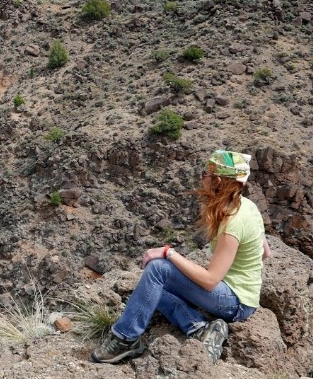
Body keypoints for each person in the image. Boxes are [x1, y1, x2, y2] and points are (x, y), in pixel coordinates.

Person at [91, 149, 270, 364]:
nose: (201, 177)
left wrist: (169, 252)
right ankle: (198, 328)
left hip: (236, 303)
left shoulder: (234, 221)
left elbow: (211, 280)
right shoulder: (247, 206)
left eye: (205, 173)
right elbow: (265, 253)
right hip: (239, 294)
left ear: (219, 180)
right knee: (152, 287)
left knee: (158, 268)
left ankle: (125, 339)